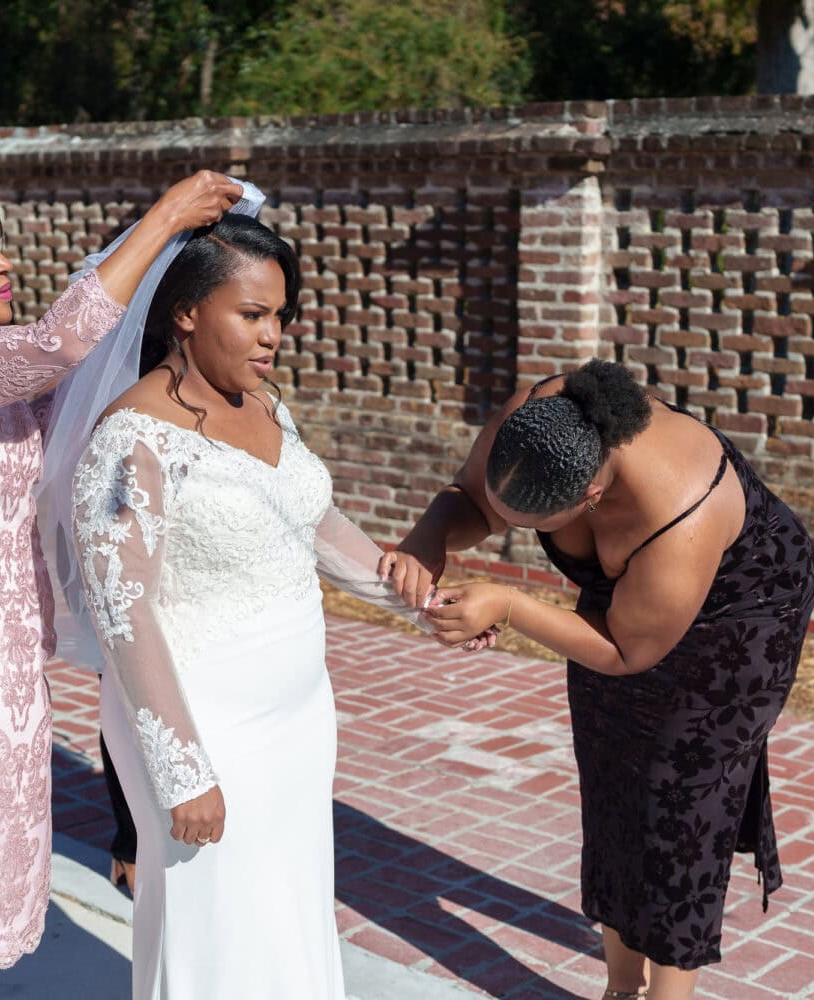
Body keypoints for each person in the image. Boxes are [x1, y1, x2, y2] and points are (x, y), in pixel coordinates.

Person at [69, 213, 487, 999]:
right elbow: (124, 617)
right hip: (204, 727)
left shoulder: (265, 406)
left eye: (281, 316)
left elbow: (314, 524)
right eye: (253, 314)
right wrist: (179, 770)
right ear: (187, 312)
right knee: (219, 931)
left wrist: (423, 604)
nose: (273, 336)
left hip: (298, 718)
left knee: (285, 916)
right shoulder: (130, 443)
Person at [0, 171, 241, 1000]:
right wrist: (167, 212)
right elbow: (61, 342)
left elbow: (85, 357)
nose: (3, 263)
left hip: (0, 651)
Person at [383, 360, 814, 1000]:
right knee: (611, 770)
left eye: (532, 529)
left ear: (588, 498)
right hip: (632, 600)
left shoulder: (680, 503)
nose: (512, 534)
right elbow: (473, 498)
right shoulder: (542, 423)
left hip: (741, 617)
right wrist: (430, 535)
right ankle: (620, 986)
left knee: (682, 800)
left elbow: (623, 650)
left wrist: (509, 606)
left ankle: (670, 991)